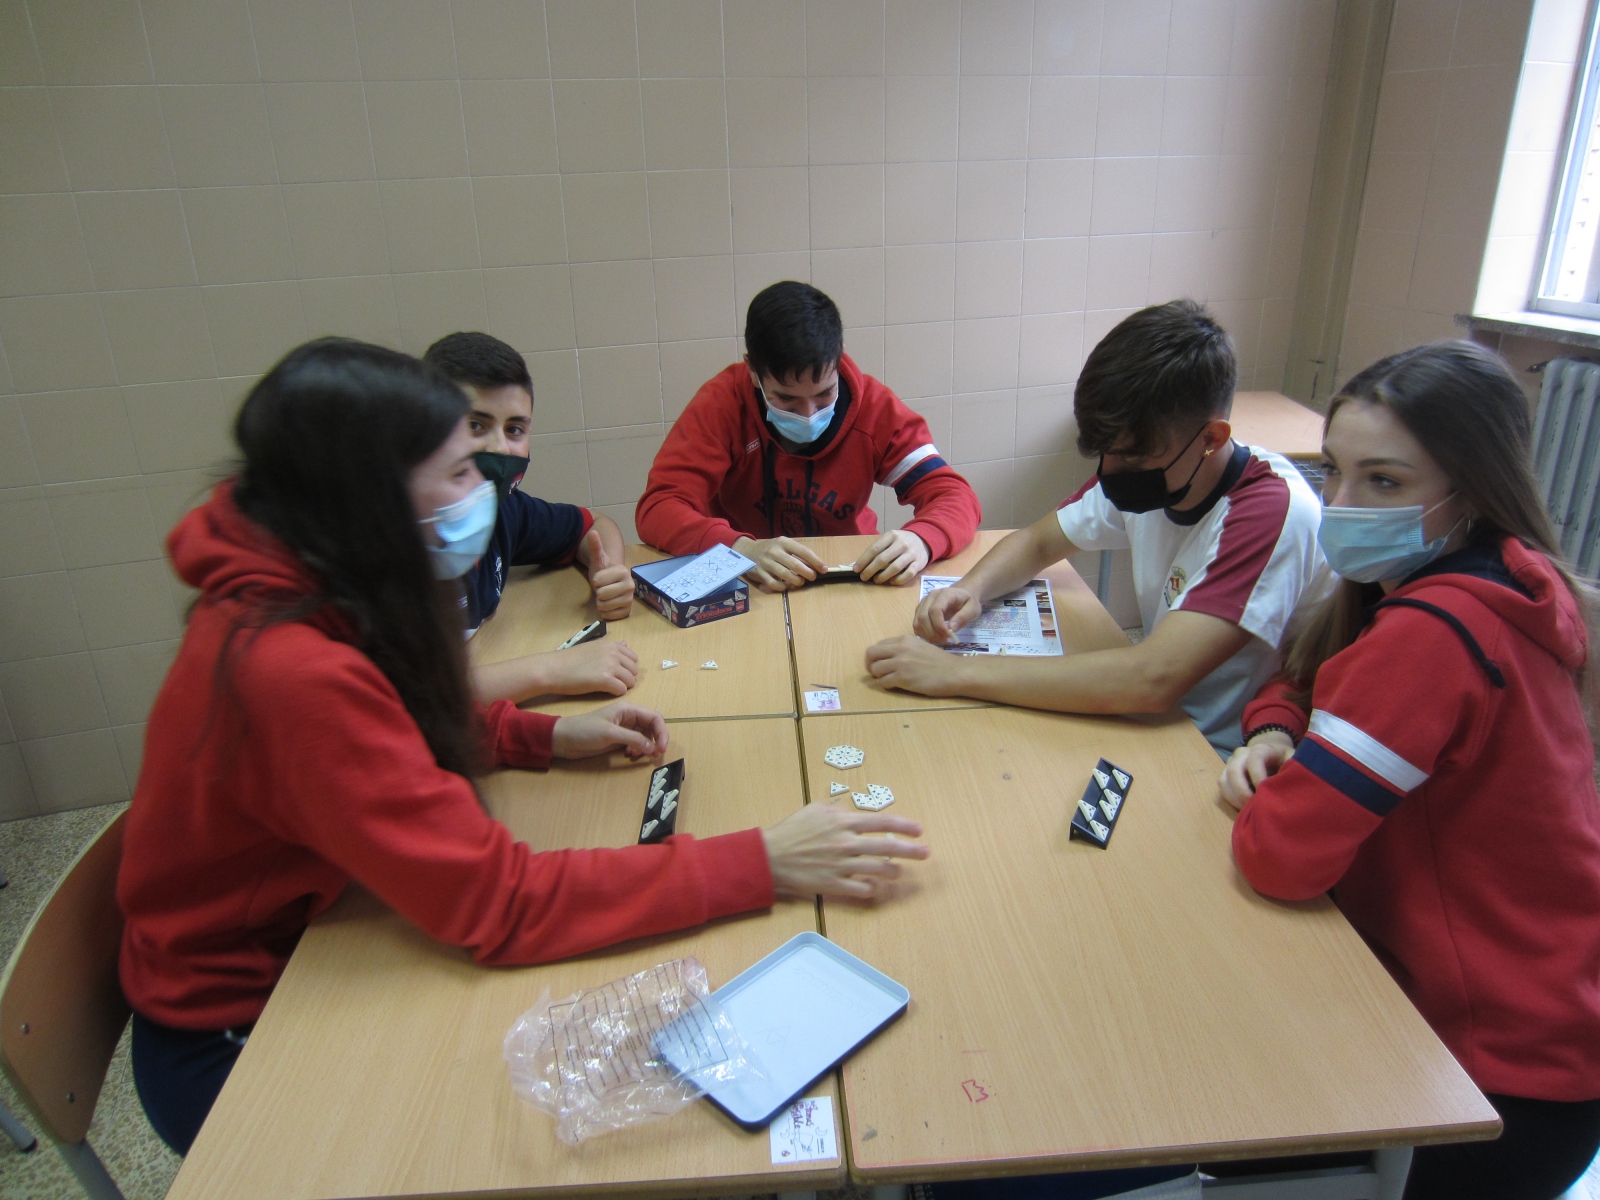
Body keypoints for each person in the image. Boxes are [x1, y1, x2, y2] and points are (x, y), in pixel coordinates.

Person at [117, 339, 929, 1156]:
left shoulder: (310, 577)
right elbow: (501, 906)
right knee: (519, 1132)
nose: (484, 489)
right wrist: (764, 861)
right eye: (458, 470)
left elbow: (383, 725)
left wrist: (538, 734)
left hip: (320, 925)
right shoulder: (290, 669)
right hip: (243, 1028)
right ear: (371, 497)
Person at [1221, 341, 1600, 1200]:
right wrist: (1278, 730)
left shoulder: (1432, 632)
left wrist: (1288, 781)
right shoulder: (1497, 577)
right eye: (1336, 472)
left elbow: (1280, 857)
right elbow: (1305, 677)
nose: (1342, 507)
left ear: (1473, 489)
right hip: (1547, 1024)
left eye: (1385, 482)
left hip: (1494, 1074)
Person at [866, 300, 1327, 755]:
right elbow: (1037, 542)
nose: (1111, 470)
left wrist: (955, 672)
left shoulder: (1270, 511)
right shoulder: (1159, 470)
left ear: (1210, 438)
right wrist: (971, 589)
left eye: (1132, 456)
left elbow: (1152, 679)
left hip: (1218, 750)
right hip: (1151, 720)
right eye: (1105, 451)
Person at [635, 281, 981, 591]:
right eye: (786, 399)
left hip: (849, 575)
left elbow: (954, 495)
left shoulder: (875, 408)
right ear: (753, 372)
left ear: (838, 361)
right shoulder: (722, 404)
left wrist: (923, 539)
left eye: (825, 394)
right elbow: (659, 507)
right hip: (750, 577)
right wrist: (739, 549)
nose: (808, 414)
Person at [422, 332, 638, 703]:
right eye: (475, 425)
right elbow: (410, 699)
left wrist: (609, 572)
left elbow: (594, 526)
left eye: (514, 430)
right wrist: (552, 670)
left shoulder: (505, 510)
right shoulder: (395, 539)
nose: (499, 448)